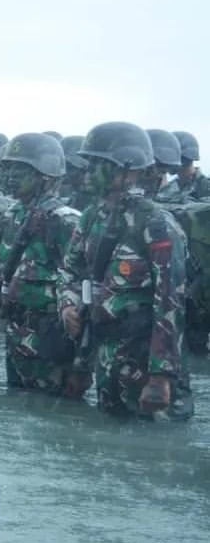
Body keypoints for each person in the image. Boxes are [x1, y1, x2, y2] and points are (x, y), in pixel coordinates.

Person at [59, 122, 193, 420]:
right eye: (89, 164)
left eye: (99, 165)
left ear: (128, 169)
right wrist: (67, 307)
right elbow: (70, 271)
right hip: (107, 361)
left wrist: (161, 377)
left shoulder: (156, 225)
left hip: (147, 366)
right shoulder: (91, 218)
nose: (88, 172)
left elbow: (170, 304)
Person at [0, 133, 82, 396]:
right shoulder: (11, 216)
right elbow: (3, 266)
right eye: (9, 168)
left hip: (52, 335)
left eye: (21, 169)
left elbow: (79, 280)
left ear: (44, 175)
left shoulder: (65, 221)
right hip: (16, 331)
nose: (11, 176)